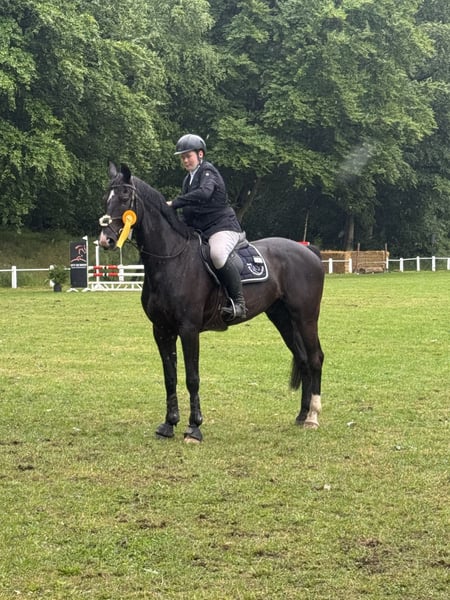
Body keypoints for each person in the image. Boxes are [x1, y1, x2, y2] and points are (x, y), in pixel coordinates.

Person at [167, 133, 247, 320]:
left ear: (200, 154)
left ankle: (239, 303)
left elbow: (204, 193)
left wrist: (175, 203)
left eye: (188, 156)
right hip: (203, 231)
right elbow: (189, 211)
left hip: (222, 227)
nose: (185, 160)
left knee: (217, 254)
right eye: (182, 157)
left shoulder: (208, 171)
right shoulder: (187, 180)